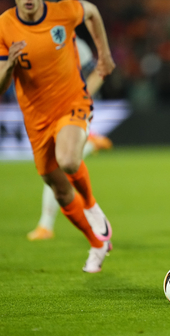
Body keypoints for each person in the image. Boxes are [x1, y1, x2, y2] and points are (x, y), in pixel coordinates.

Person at [0, 0, 115, 273]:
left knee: (70, 160)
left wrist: (105, 55)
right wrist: (10, 64)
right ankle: (97, 243)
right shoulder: (2, 27)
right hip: (36, 119)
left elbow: (92, 11)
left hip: (72, 102)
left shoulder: (63, 12)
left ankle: (92, 206)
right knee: (58, 188)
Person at [27, 37, 113, 241]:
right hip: (48, 111)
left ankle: (45, 226)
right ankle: (90, 144)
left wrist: (82, 97)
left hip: (73, 112)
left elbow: (99, 70)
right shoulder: (33, 40)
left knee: (57, 168)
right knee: (55, 169)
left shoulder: (73, 43)